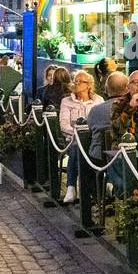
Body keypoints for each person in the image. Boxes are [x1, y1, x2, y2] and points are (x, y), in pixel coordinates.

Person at [59, 70, 104, 203]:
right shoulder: (66, 101)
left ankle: (97, 189)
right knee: (76, 147)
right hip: (73, 140)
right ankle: (71, 188)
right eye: (75, 81)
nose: (77, 83)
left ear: (89, 85)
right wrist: (79, 134)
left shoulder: (98, 101)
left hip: (94, 140)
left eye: (80, 81)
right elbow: (64, 125)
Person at [87, 71, 129, 165]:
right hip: (127, 157)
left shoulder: (95, 110)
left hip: (99, 158)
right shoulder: (133, 109)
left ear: (106, 89)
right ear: (127, 89)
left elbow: (89, 133)